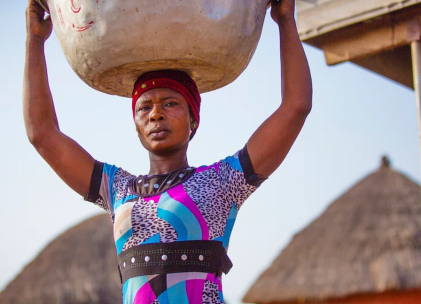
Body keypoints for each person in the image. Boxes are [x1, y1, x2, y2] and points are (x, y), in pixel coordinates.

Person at [24, 0, 312, 303]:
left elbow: (296, 107)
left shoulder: (223, 183)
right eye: (144, 107)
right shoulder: (117, 188)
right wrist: (34, 41)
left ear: (193, 120)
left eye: (170, 104)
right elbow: (42, 134)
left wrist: (284, 21)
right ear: (136, 125)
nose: (155, 114)